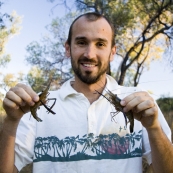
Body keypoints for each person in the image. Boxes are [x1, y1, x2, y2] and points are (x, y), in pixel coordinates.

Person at [0, 12, 173, 173]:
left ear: (112, 52)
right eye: (81, 42)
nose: (90, 54)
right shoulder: (33, 106)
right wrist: (10, 121)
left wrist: (154, 127)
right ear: (68, 49)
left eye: (100, 44)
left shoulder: (139, 101)